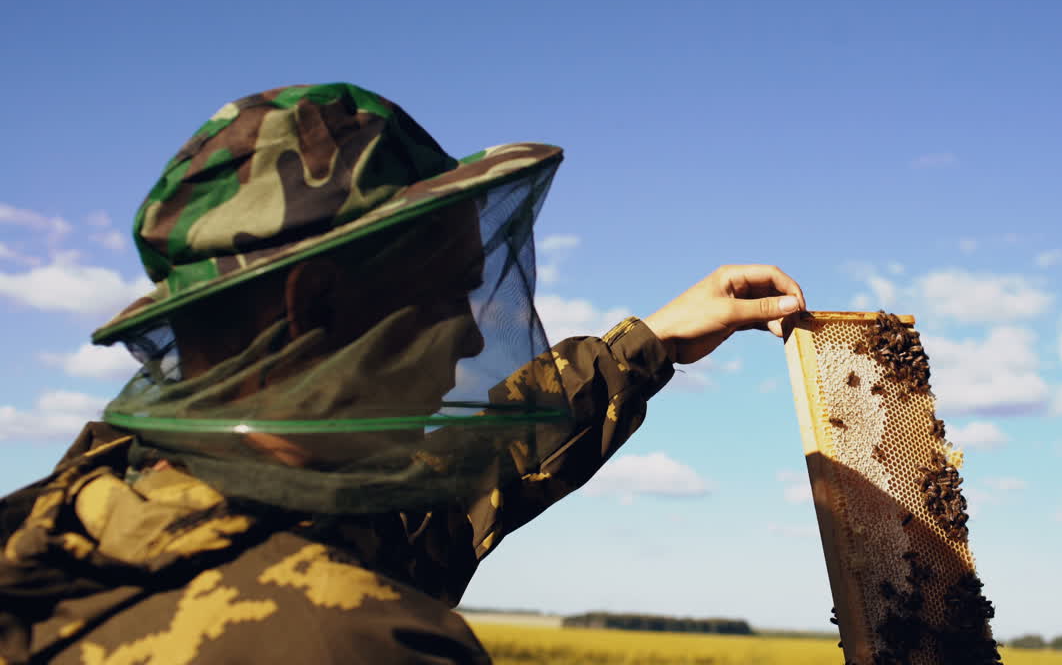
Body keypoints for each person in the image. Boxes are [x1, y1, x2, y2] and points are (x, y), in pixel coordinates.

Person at [0, 83, 805, 664]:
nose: (464, 339)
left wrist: (651, 342)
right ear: (313, 300)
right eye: (442, 295)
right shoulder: (359, 640)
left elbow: (455, 488)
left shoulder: (92, 516)